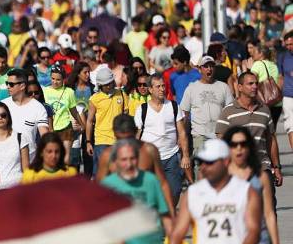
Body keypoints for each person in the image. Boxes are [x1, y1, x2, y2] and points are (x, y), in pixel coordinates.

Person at [224, 126, 283, 244]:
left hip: (260, 238)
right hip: (232, 238)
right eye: (234, 145)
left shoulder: (260, 176)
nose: (239, 149)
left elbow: (269, 213)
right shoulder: (222, 176)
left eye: (243, 144)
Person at [101, 140, 173, 244]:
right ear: (115, 163)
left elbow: (166, 217)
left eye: (132, 159)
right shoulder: (108, 186)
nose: (129, 164)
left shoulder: (150, 181)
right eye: (124, 160)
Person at [216, 71, 283, 187]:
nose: (255, 86)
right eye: (250, 84)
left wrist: (276, 167)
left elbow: (271, 140)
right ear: (240, 87)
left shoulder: (265, 110)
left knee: (269, 204)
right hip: (238, 171)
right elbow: (221, 142)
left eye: (256, 83)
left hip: (263, 167)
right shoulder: (228, 112)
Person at [136, 73, 192, 204]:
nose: (162, 89)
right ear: (150, 89)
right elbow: (136, 136)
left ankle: (169, 215)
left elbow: (182, 133)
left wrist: (185, 155)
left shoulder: (173, 106)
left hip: (171, 156)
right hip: (150, 159)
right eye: (158, 87)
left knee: (175, 191)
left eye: (163, 86)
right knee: (150, 194)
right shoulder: (142, 109)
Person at [180, 55, 235, 156]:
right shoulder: (191, 88)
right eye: (206, 66)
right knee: (201, 168)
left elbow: (230, 112)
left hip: (220, 135)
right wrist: (182, 137)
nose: (209, 69)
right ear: (200, 69)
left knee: (220, 167)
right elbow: (184, 115)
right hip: (200, 135)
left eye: (212, 66)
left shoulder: (224, 87)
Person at [85, 66, 127, 176]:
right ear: (100, 85)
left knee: (118, 174)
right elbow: (89, 121)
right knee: (101, 174)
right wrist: (88, 142)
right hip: (101, 141)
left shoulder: (122, 94)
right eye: (106, 84)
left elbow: (126, 116)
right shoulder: (94, 99)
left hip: (119, 140)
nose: (109, 85)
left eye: (110, 82)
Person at [2, 68, 50, 158]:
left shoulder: (38, 107)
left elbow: (45, 135)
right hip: (6, 160)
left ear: (22, 86)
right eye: (7, 83)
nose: (8, 86)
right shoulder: (2, 105)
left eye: (11, 84)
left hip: (30, 161)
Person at [42, 66, 84, 164]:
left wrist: (82, 124)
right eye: (53, 79)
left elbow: (74, 111)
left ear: (63, 79)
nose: (55, 82)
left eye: (58, 80)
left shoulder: (69, 92)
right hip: (50, 128)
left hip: (66, 127)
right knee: (52, 156)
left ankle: (64, 176)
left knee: (66, 156)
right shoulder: (44, 91)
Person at [0, 101, 30, 190]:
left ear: (8, 117)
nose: (0, 118)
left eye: (3, 115)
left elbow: (26, 170)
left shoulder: (20, 138)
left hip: (15, 190)